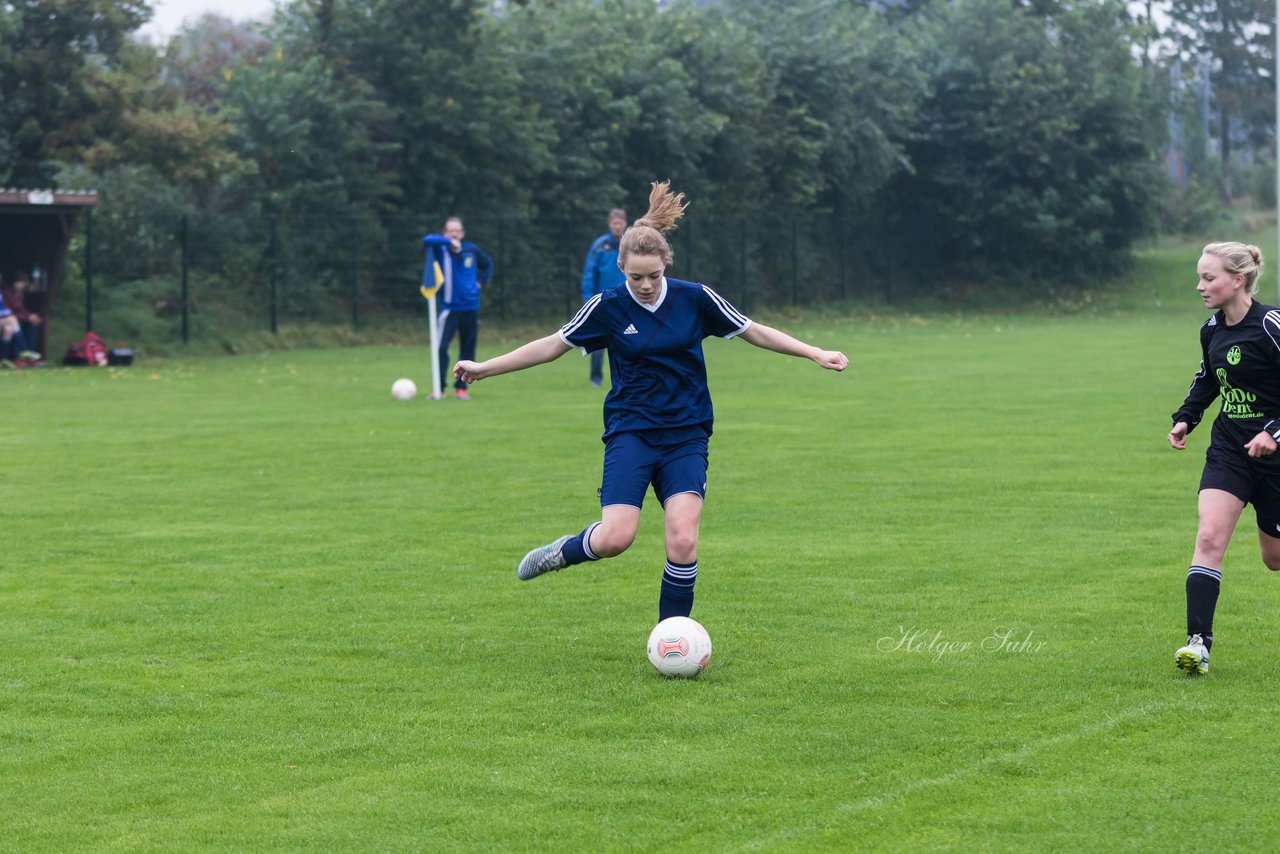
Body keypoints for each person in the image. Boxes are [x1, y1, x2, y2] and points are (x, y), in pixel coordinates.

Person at [453, 181, 848, 622]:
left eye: (653, 276)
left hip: (686, 434)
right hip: (632, 433)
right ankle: (562, 551)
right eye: (634, 276)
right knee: (615, 539)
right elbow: (552, 345)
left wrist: (814, 351)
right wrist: (486, 367)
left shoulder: (695, 299)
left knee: (682, 539)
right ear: (620, 266)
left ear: (666, 264)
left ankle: (671, 636)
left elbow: (753, 330)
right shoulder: (607, 306)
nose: (644, 285)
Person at [1168, 242, 1280, 675]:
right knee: (1210, 538)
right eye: (1199, 277)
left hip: (1275, 460)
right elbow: (1208, 378)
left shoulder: (1270, 324)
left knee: (1274, 558)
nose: (1200, 286)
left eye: (1208, 278)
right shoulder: (1212, 328)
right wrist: (1186, 418)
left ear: (1238, 280)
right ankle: (1198, 643)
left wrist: (1273, 433)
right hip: (1229, 452)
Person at [423, 217, 493, 400]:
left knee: (467, 349)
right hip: (448, 309)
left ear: (462, 233)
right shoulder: (441, 249)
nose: (454, 234)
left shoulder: (471, 250)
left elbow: (488, 265)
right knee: (440, 348)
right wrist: (448, 243)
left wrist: (480, 282)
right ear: (445, 233)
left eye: (457, 231)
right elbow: (427, 239)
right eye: (450, 231)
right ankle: (439, 388)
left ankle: (461, 388)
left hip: (470, 307)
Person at [580, 208, 628, 386]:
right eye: (614, 223)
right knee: (599, 342)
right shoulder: (599, 245)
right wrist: (588, 297)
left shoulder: (630, 243)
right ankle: (596, 378)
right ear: (610, 224)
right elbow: (589, 273)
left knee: (625, 340)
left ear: (625, 223)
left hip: (626, 300)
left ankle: (624, 377)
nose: (617, 226)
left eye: (620, 223)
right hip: (603, 301)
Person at [0, 272, 42, 364]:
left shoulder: (7, 293)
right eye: (20, 282)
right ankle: (24, 350)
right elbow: (9, 309)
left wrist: (29, 316)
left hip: (5, 319)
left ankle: (3, 360)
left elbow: (6, 310)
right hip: (9, 318)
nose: (22, 285)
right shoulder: (6, 292)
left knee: (8, 329)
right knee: (12, 319)